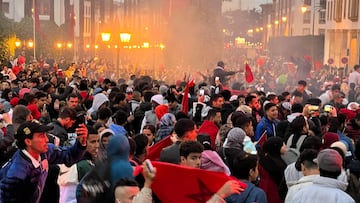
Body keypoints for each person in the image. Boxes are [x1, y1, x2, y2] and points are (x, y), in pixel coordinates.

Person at [0, 120, 88, 203]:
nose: (46, 139)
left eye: (45, 135)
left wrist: (81, 143)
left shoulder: (45, 151)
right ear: (28, 141)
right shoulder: (16, 173)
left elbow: (69, 156)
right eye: (41, 136)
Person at [179, 140, 244, 203]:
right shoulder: (178, 181)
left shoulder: (202, 178)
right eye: (193, 158)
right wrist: (220, 195)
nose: (198, 162)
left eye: (199, 157)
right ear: (183, 159)